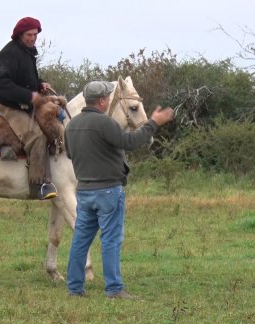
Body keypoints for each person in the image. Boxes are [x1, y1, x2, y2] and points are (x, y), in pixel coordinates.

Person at [64, 81, 174, 299]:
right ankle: (114, 289)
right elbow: (131, 142)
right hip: (108, 191)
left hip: (84, 191)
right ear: (103, 101)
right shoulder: (106, 123)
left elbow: (69, 154)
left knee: (80, 240)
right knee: (111, 239)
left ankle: (75, 288)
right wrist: (153, 122)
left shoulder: (72, 125)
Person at [0, 16, 57, 200]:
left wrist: (40, 84)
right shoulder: (9, 53)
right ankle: (38, 185)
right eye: (29, 35)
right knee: (37, 137)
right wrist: (29, 96)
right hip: (8, 106)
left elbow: (25, 79)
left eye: (35, 35)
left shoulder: (27, 52)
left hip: (24, 104)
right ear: (20, 34)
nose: (33, 38)